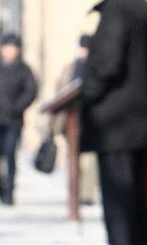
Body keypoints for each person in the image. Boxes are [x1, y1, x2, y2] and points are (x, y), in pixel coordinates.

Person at [81, 0, 147, 245]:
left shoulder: (115, 10)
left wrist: (87, 94)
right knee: (138, 205)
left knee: (119, 211)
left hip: (114, 124)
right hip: (139, 121)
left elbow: (106, 64)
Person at [0, 33, 37, 205]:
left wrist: (17, 107)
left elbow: (31, 91)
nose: (10, 51)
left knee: (10, 154)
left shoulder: (23, 70)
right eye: (7, 47)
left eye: (13, 48)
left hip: (13, 120)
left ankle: (10, 192)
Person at [53, 33, 98, 205]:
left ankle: (86, 194)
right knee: (73, 158)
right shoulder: (70, 68)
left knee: (89, 160)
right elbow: (60, 89)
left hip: (92, 121)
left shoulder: (97, 68)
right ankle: (74, 192)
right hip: (72, 120)